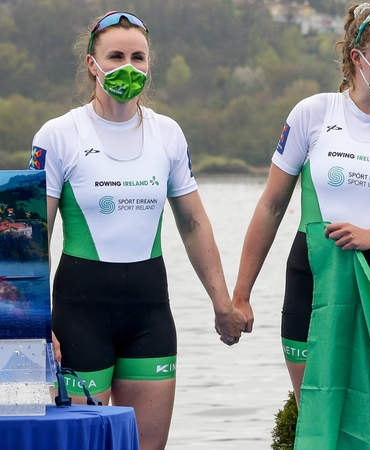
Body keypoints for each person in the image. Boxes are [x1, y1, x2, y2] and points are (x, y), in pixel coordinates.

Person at [29, 11, 247, 450]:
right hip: (78, 318)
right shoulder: (58, 135)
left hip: (150, 316)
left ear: (149, 64)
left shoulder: (168, 134)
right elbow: (34, 237)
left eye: (138, 57)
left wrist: (222, 302)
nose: (128, 67)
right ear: (92, 64)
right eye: (116, 56)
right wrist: (35, 324)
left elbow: (193, 223)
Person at [232, 3, 370, 404]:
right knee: (316, 416)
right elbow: (271, 206)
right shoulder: (313, 113)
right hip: (312, 284)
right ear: (357, 58)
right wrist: (241, 294)